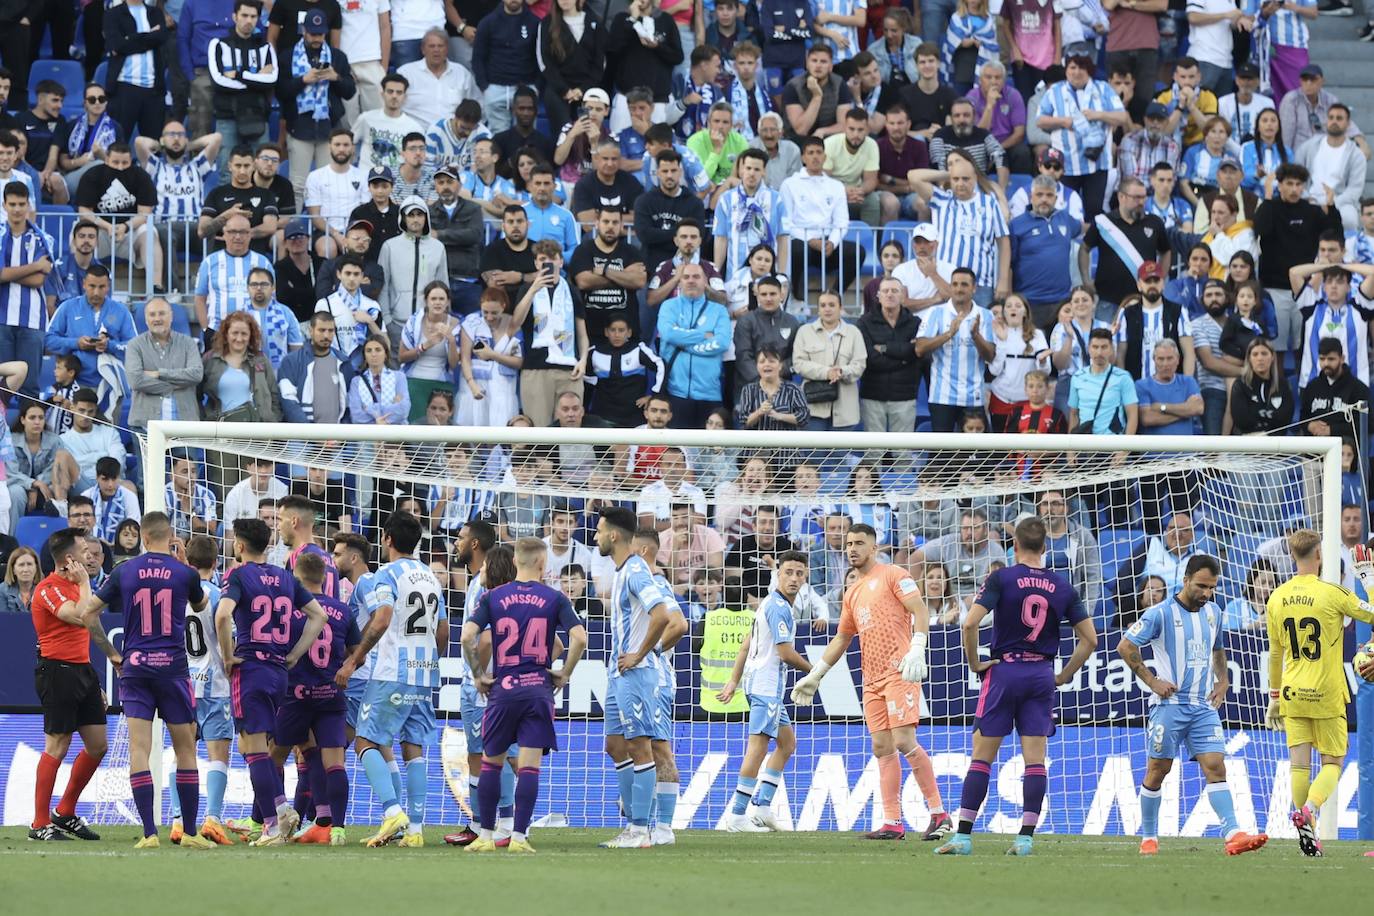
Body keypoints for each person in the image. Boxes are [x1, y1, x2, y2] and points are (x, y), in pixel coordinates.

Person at [934, 516, 1097, 856]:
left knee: (982, 757)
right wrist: (1064, 675)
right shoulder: (1064, 587)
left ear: (1015, 547)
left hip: (1004, 671)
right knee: (1035, 760)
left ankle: (963, 837)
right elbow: (1090, 640)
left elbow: (969, 623)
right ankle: (1024, 839)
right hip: (1041, 675)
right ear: (1045, 548)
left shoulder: (1002, 578)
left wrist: (975, 663)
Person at [791, 523, 948, 841]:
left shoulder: (894, 574)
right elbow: (842, 638)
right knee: (881, 746)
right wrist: (815, 674)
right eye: (849, 543)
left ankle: (939, 814)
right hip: (871, 678)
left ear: (874, 547)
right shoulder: (852, 593)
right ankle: (892, 822)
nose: (852, 548)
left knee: (904, 740)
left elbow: (919, 609)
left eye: (859, 543)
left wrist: (917, 648)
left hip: (899, 670)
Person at [1118, 554, 1269, 857]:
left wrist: (1223, 680)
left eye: (1212, 587)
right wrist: (1152, 681)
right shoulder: (1160, 614)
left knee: (1215, 766)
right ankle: (1149, 837)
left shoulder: (1214, 611)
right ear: (1185, 580)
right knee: (1158, 770)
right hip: (1170, 705)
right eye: (1201, 586)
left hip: (1202, 706)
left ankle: (1233, 833)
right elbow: (1126, 645)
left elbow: (1218, 647)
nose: (1207, 593)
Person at [80, 511, 215, 849]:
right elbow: (201, 607)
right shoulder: (184, 573)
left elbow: (87, 613)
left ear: (142, 536)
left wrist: (112, 653)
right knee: (185, 749)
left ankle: (149, 834)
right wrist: (184, 563)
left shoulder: (124, 571)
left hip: (136, 668)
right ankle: (190, 834)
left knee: (140, 749)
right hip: (173, 669)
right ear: (170, 537)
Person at [461, 538, 587, 854]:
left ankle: (486, 836)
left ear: (515, 561)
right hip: (537, 690)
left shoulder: (493, 596)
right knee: (529, 767)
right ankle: (518, 837)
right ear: (543, 564)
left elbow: (466, 636)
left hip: (503, 689)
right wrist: (566, 671)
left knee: (491, 763)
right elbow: (579, 637)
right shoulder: (554, 598)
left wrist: (478, 675)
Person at [331, 512, 446, 847]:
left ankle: (393, 810)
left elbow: (381, 619)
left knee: (366, 741)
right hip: (423, 674)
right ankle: (415, 830)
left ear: (388, 539)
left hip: (392, 672)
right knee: (414, 748)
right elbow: (443, 629)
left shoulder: (386, 574)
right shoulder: (431, 576)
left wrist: (355, 658)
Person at [213, 517, 325, 846]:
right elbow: (318, 616)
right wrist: (293, 655)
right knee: (260, 749)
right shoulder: (285, 576)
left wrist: (228, 655)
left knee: (252, 747)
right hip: (279, 670)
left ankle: (273, 826)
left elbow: (222, 615)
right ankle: (280, 808)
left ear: (240, 545)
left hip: (250, 668)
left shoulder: (237, 574)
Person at [1271, 532, 1374, 856]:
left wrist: (1274, 697)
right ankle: (1310, 811)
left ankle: (1308, 836)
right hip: (1326, 692)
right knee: (1332, 762)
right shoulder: (1333, 593)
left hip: (1291, 690)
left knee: (1299, 766)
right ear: (1319, 554)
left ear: (1291, 555)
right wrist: (1368, 579)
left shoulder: (1277, 596)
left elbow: (1275, 654)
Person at [591, 506, 677, 848]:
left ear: (614, 535)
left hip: (637, 673)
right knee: (616, 746)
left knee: (642, 748)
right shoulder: (624, 570)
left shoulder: (637, 571)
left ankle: (641, 831)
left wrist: (641, 653)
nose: (595, 537)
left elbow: (662, 616)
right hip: (618, 674)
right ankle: (634, 823)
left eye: (598, 531)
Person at [718, 549, 813, 832]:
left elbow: (747, 644)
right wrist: (816, 671)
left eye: (799, 574)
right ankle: (736, 816)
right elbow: (785, 653)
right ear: (779, 574)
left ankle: (762, 808)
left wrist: (734, 680)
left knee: (787, 744)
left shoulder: (771, 602)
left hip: (761, 685)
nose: (794, 578)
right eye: (788, 573)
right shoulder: (778, 607)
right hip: (765, 687)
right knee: (758, 749)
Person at [26, 527, 109, 842]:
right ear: (70, 557)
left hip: (81, 670)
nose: (91, 555)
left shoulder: (78, 585)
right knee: (57, 745)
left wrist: (92, 678)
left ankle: (65, 811)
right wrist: (85, 583)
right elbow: (80, 617)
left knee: (98, 745)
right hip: (57, 672)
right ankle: (39, 822)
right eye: (86, 550)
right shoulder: (48, 588)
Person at [908, 151, 1010, 306]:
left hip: (980, 284)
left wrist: (1002, 281)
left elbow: (1003, 242)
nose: (960, 183)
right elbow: (913, 177)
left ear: (975, 178)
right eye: (956, 179)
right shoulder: (941, 200)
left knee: (978, 329)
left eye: (966, 178)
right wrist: (952, 171)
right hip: (946, 282)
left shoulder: (989, 203)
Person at [1036, 53, 1128, 222]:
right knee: (1063, 210)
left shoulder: (1103, 89)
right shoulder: (1055, 91)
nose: (1077, 72)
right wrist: (1063, 121)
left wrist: (1098, 115)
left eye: (1082, 67)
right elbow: (1040, 120)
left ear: (1090, 71)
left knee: (1094, 210)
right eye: (1072, 67)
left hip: (1097, 162)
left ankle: (1090, 248)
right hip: (1065, 163)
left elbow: (1122, 117)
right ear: (1066, 70)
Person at [279, 10, 356, 211]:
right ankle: (294, 234)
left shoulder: (337, 57)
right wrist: (303, 80)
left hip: (328, 129)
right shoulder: (287, 56)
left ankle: (327, 235)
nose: (316, 38)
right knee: (297, 185)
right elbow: (280, 92)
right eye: (313, 33)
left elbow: (349, 91)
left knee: (327, 186)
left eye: (320, 34)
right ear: (304, 30)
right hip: (299, 126)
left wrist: (335, 77)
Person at [74, 143, 165, 294]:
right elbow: (84, 211)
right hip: (100, 232)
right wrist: (106, 226)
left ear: (131, 161)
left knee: (149, 231)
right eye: (116, 162)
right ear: (106, 159)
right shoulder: (93, 174)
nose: (120, 167)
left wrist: (125, 226)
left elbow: (145, 213)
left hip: (129, 232)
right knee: (80, 229)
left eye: (125, 163)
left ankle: (156, 288)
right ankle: (75, 285)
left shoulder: (141, 176)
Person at [915, 268, 996, 431]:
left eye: (964, 285)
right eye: (955, 284)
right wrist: (948, 334)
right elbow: (920, 348)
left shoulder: (985, 315)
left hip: (973, 397)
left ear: (974, 288)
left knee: (973, 452)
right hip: (942, 396)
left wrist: (976, 336)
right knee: (942, 453)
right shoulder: (935, 312)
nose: (959, 289)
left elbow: (991, 356)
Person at [208, 1, 279, 182]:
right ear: (234, 17)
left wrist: (238, 75)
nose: (249, 21)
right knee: (226, 172)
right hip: (227, 117)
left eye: (253, 16)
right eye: (244, 16)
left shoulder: (266, 48)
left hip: (258, 116)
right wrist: (256, 79)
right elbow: (218, 82)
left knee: (262, 174)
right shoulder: (217, 44)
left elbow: (271, 80)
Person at [783, 137, 863, 295]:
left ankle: (835, 297)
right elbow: (786, 222)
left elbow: (841, 221)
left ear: (825, 157)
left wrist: (832, 242)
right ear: (803, 157)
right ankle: (797, 299)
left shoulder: (836, 186)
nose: (815, 157)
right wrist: (811, 240)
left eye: (819, 152)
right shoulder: (789, 184)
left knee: (857, 251)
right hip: (803, 241)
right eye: (810, 153)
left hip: (827, 243)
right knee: (796, 249)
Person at [1080, 177, 1172, 314]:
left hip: (1143, 299)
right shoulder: (1103, 222)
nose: (1141, 202)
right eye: (1136, 197)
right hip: (1108, 300)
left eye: (1143, 197)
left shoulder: (1155, 222)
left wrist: (1161, 278)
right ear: (1121, 197)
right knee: (1103, 335)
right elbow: (1084, 248)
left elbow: (1166, 251)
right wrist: (1086, 280)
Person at [0, 181, 55, 404]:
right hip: (2, 319)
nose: (16, 209)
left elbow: (39, 280)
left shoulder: (43, 238)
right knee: (2, 384)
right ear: (4, 205)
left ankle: (28, 437)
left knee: (30, 386)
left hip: (32, 320)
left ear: (28, 205)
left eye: (21, 204)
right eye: (12, 204)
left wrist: (7, 273)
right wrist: (34, 265)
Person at [656, 262, 729, 428]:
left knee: (708, 452)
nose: (691, 281)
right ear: (679, 282)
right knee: (677, 450)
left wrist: (684, 345)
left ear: (705, 282)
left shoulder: (719, 311)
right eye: (686, 277)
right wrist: (703, 335)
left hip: (709, 394)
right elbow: (668, 333)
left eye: (696, 277)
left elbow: (722, 342)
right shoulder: (668, 306)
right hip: (675, 393)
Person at [377, 198, 448, 345]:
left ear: (426, 217)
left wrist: (441, 318)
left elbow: (443, 286)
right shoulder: (389, 246)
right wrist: (387, 320)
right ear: (403, 218)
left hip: (428, 323)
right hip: (397, 324)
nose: (415, 219)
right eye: (411, 215)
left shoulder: (438, 247)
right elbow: (383, 286)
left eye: (419, 214)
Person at [1010, 176, 1080, 323]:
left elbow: (1083, 228)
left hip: (1062, 301)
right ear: (1031, 197)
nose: (1044, 199)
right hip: (1030, 301)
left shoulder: (1066, 219)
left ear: (1055, 198)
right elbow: (1009, 263)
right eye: (1039, 195)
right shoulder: (1016, 225)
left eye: (1049, 195)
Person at [570, 207, 648, 340]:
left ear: (622, 225)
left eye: (615, 222)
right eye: (606, 222)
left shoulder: (632, 251)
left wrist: (604, 271)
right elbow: (583, 282)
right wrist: (623, 275)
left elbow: (639, 281)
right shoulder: (583, 250)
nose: (610, 226)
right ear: (597, 223)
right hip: (590, 332)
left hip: (626, 334)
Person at [793, 289, 865, 432]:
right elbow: (799, 364)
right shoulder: (805, 331)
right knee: (814, 454)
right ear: (818, 309)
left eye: (832, 305)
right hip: (813, 407)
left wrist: (841, 371)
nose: (827, 309)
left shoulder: (854, 332)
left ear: (841, 308)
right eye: (823, 305)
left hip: (845, 409)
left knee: (840, 454)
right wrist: (827, 372)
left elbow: (860, 365)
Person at [193, 213, 274, 337]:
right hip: (217, 331)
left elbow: (272, 299)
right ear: (224, 234)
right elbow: (200, 298)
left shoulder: (263, 263)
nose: (237, 237)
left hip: (254, 333)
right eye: (232, 232)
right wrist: (206, 329)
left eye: (243, 232)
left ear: (250, 235)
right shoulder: (209, 262)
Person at [633, 151, 707, 279]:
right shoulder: (644, 201)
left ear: (680, 172)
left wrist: (658, 236)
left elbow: (699, 235)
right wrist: (679, 235)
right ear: (657, 173)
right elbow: (644, 235)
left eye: (673, 171)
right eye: (665, 171)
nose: (669, 175)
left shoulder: (694, 203)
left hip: (686, 270)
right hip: (651, 269)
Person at [858, 280, 921, 432]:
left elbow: (918, 354)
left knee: (903, 453)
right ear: (878, 296)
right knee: (874, 453)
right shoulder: (864, 323)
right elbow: (870, 359)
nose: (890, 294)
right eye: (885, 291)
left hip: (905, 397)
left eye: (894, 291)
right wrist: (905, 358)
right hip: (872, 396)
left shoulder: (916, 323)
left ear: (903, 296)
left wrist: (885, 349)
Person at [1293, 103, 1366, 229]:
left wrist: (1331, 203)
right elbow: (1295, 176)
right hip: (1309, 199)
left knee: (1350, 219)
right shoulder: (1308, 147)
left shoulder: (1356, 154)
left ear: (1348, 124)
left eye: (1339, 118)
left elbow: (1354, 190)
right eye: (1331, 118)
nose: (1334, 121)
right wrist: (1307, 198)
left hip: (1340, 202)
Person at [538, 0, 608, 131]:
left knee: (586, 137)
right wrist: (564, 90)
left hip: (587, 91)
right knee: (562, 137)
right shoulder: (547, 23)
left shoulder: (594, 22)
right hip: (557, 91)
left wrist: (583, 89)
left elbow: (599, 63)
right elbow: (544, 62)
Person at [199, 146, 280, 257]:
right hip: (221, 258)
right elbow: (202, 231)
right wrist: (226, 216)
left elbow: (270, 226)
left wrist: (237, 235)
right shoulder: (216, 194)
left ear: (254, 166)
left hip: (254, 258)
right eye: (238, 166)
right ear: (229, 166)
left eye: (246, 166)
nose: (242, 171)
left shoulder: (266, 195)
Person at [279, 310, 354, 424]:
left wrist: (341, 434)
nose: (326, 335)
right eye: (321, 330)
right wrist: (311, 433)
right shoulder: (291, 361)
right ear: (311, 331)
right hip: (302, 436)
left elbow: (350, 403)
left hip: (337, 435)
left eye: (330, 331)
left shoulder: (343, 362)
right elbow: (288, 401)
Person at [305, 129, 368, 259]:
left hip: (355, 230)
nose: (341, 149)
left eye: (346, 145)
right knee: (328, 248)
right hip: (325, 231)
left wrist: (350, 236)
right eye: (337, 145)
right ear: (329, 147)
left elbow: (365, 211)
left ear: (353, 148)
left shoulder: (363, 176)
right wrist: (336, 234)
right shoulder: (315, 176)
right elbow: (315, 216)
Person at [397, 27, 477, 129]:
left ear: (447, 49)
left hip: (453, 135)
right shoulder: (406, 73)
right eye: (431, 46)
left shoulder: (462, 73)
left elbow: (476, 105)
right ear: (423, 49)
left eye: (440, 46)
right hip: (415, 136)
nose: (436, 50)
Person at [55, 82, 124, 201]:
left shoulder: (115, 128)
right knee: (97, 167)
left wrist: (101, 155)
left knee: (99, 167)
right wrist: (80, 162)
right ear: (85, 103)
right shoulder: (72, 126)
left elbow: (120, 164)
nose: (97, 103)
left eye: (101, 99)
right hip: (73, 177)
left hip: (105, 178)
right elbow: (63, 161)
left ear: (106, 102)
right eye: (92, 100)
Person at [1068, 327, 1139, 436]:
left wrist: (1123, 451)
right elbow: (1073, 415)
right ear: (1088, 349)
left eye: (1104, 347)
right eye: (1095, 347)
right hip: (1084, 446)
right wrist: (1070, 452)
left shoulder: (1123, 377)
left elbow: (1132, 415)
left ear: (1111, 349)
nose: (1099, 352)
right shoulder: (1077, 377)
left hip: (1112, 446)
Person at [352, 73, 425, 176]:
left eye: (399, 92)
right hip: (366, 180)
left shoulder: (414, 127)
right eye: (390, 92)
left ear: (405, 97)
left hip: (396, 183)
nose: (394, 96)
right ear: (382, 94)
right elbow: (350, 143)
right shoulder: (366, 118)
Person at [1301, 338, 1369, 442]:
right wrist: (1310, 425)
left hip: (1345, 451)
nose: (1326, 363)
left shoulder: (1358, 389)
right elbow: (1302, 416)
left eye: (1331, 359)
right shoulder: (1312, 387)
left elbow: (1367, 423)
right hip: (1314, 449)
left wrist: (1332, 430)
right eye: (1322, 359)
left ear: (1342, 359)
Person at [930, 97, 1008, 188]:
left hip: (979, 187)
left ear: (974, 117)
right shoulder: (940, 136)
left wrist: (1001, 190)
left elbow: (1000, 157)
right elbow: (939, 166)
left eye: (966, 115)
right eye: (957, 116)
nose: (962, 120)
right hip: (951, 187)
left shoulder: (983, 135)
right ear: (951, 118)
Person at [823, 107, 882, 226]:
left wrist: (860, 191)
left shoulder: (872, 145)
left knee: (872, 201)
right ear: (845, 127)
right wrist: (842, 191)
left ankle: (869, 242)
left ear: (867, 130)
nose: (856, 134)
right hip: (833, 191)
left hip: (858, 191)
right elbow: (824, 179)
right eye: (852, 129)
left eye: (860, 130)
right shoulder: (830, 143)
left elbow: (871, 180)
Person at [1227, 337, 1294, 435]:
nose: (1260, 358)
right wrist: (1270, 416)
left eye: (1264, 353)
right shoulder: (1240, 384)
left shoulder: (1283, 385)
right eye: (1255, 354)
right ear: (1249, 358)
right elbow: (1241, 419)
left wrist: (1258, 415)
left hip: (1276, 442)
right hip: (1248, 440)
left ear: (1272, 357)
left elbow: (1285, 418)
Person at [735, 348, 809, 431]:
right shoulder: (748, 390)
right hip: (757, 442)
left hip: (785, 442)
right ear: (757, 366)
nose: (767, 364)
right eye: (762, 361)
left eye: (771, 361)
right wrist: (759, 412)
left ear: (780, 365)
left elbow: (804, 416)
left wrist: (779, 416)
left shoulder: (793, 389)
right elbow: (743, 421)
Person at [750, 112, 802, 191]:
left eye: (773, 129)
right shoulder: (751, 149)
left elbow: (795, 184)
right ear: (759, 132)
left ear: (781, 132)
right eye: (764, 130)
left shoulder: (792, 150)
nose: (769, 135)